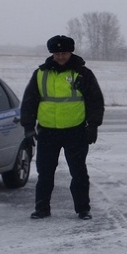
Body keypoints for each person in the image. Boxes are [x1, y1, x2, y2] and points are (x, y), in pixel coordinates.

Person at [20, 35, 105, 220]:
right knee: (45, 174)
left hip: (76, 131)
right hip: (47, 132)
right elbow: (29, 101)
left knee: (79, 173)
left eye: (64, 53)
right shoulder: (40, 74)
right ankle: (42, 208)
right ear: (52, 54)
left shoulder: (83, 74)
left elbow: (95, 101)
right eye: (57, 53)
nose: (60, 57)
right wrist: (28, 126)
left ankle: (83, 209)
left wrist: (93, 125)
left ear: (70, 52)